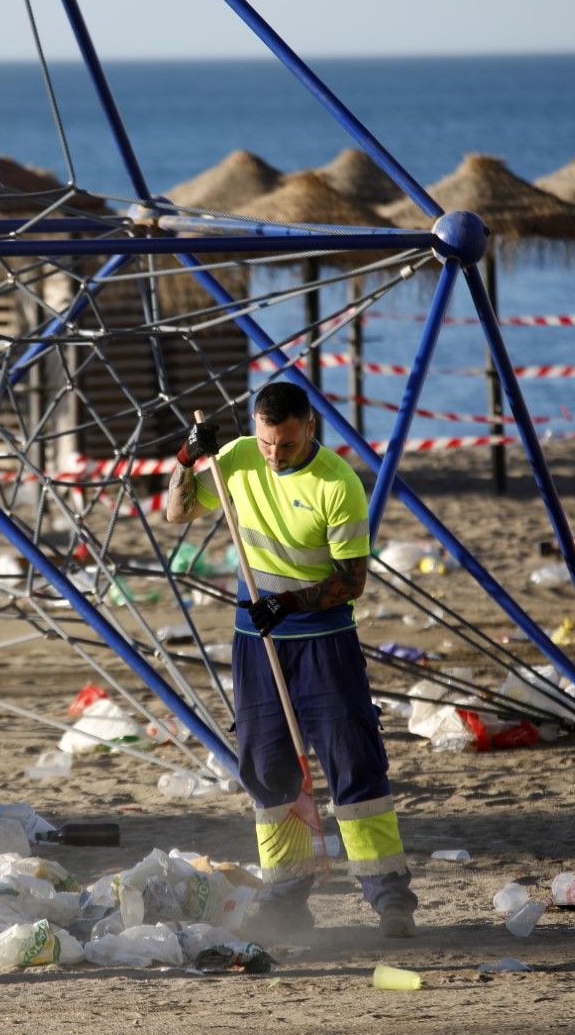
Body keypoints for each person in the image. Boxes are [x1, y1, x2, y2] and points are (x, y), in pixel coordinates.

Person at [165, 381, 418, 939]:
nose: (273, 454)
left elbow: (350, 582)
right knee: (267, 769)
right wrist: (187, 457)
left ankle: (389, 895)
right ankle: (286, 896)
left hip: (324, 640)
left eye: (283, 443)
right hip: (256, 640)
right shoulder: (234, 460)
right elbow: (175, 512)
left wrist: (288, 601)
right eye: (264, 442)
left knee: (353, 764)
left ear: (309, 429)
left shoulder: (338, 483)